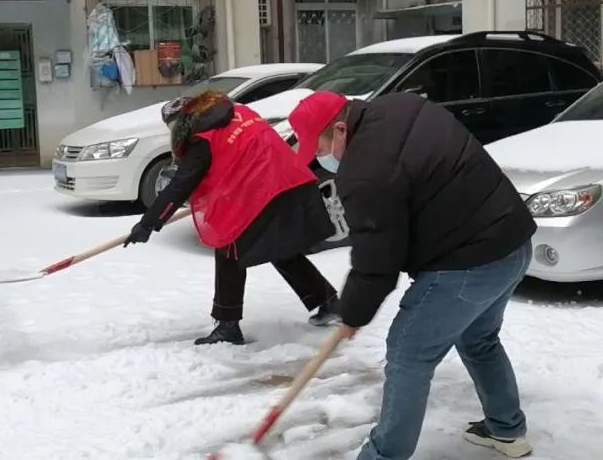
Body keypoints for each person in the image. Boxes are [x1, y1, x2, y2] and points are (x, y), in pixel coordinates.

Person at [288, 91, 538, 460]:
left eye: (321, 147)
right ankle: (506, 429)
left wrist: (354, 313)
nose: (323, 159)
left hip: (469, 262)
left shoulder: (364, 172)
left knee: (408, 352)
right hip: (512, 241)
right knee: (478, 339)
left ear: (341, 129)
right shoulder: (401, 106)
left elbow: (377, 261)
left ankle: (383, 455)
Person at [123, 90, 341, 346]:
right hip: (292, 181)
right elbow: (237, 157)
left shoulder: (199, 136)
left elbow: (182, 182)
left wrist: (149, 223)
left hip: (266, 190)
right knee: (279, 247)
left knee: (229, 250)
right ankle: (329, 302)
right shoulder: (235, 112)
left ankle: (227, 325)